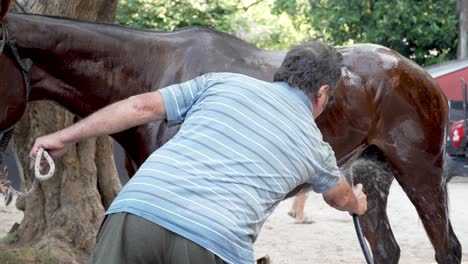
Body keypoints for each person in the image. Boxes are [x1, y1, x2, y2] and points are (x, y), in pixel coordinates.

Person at [29, 39, 367, 264]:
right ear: (323, 91)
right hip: (213, 240)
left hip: (137, 211)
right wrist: (358, 202)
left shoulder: (222, 83)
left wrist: (64, 136)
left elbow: (139, 107)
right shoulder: (313, 145)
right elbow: (338, 198)